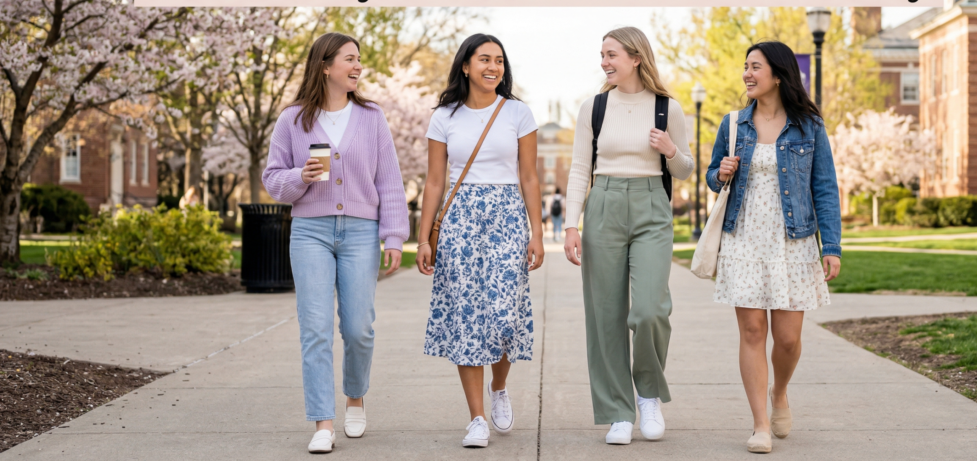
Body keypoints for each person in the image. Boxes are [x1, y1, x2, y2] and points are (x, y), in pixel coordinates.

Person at [263, 33, 407, 454]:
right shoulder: (292, 119)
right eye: (350, 59)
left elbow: (390, 181)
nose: (358, 66)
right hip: (310, 231)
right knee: (315, 329)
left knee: (359, 328)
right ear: (326, 66)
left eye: (359, 59)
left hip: (361, 231)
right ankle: (322, 422)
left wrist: (393, 235)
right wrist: (298, 178)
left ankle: (355, 397)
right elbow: (273, 179)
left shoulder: (372, 116)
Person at [706, 41, 841, 454]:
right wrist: (720, 172)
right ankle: (760, 423)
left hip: (793, 240)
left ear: (778, 75)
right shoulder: (733, 125)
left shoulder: (809, 127)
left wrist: (830, 245)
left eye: (755, 67)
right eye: (745, 67)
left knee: (786, 339)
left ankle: (780, 390)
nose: (747, 74)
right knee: (751, 331)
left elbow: (824, 187)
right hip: (743, 238)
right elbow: (713, 178)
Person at [562, 26, 695, 445]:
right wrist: (570, 224)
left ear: (636, 57)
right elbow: (580, 169)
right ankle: (619, 410)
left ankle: (648, 394)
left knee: (651, 309)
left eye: (612, 54)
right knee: (605, 315)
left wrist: (671, 150)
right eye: (602, 54)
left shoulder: (666, 108)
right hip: (603, 204)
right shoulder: (594, 108)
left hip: (652, 206)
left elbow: (687, 169)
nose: (604, 61)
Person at [415, 33, 545, 449]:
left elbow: (529, 176)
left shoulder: (518, 113)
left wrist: (537, 232)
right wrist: (423, 237)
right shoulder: (445, 117)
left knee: (504, 312)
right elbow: (435, 181)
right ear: (466, 66)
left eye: (500, 61)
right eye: (484, 59)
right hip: (460, 220)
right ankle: (475, 418)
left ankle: (499, 387)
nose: (493, 67)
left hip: (507, 216)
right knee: (467, 316)